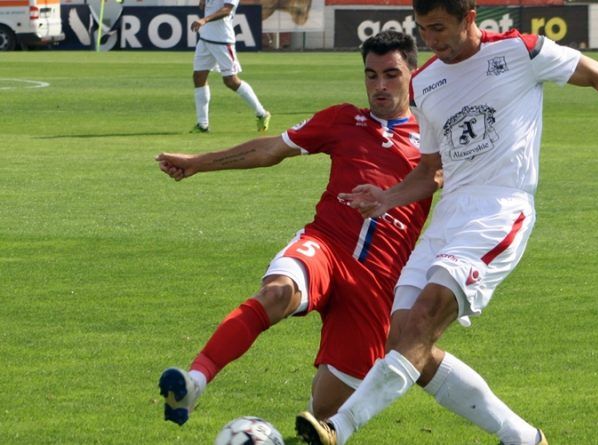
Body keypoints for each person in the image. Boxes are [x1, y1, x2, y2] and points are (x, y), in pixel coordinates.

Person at [294, 0, 598, 444]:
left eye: (439, 28)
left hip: (499, 210)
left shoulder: (519, 52)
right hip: (450, 214)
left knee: (423, 321)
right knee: (403, 338)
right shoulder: (427, 82)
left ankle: (340, 427)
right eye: (424, 30)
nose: (432, 41)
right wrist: (386, 199)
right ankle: (522, 437)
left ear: (469, 17)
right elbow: (429, 171)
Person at [156, 31, 434, 426]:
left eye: (391, 74)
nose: (380, 86)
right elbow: (271, 149)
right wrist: (198, 162)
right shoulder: (343, 119)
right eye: (371, 75)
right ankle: (195, 380)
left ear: (413, 73)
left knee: (324, 413)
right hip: (325, 245)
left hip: (377, 283)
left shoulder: (434, 138)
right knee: (277, 292)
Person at [190, 0, 270, 133]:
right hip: (205, 39)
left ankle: (262, 113)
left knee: (230, 81)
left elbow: (226, 10)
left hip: (223, 41)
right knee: (198, 77)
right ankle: (202, 124)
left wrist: (204, 20)